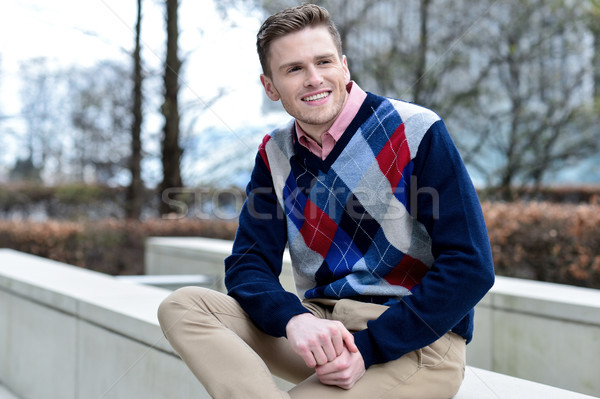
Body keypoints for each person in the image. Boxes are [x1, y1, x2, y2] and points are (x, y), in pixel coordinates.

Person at [157, 4, 495, 398]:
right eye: (294, 69)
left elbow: (471, 266)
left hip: (415, 343)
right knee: (183, 307)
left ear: (344, 67)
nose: (314, 79)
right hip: (320, 327)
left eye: (324, 62)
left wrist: (369, 349)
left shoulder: (416, 130)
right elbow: (248, 263)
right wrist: (295, 320)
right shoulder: (274, 153)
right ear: (270, 86)